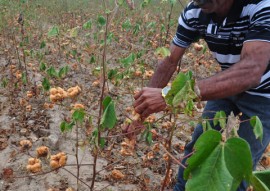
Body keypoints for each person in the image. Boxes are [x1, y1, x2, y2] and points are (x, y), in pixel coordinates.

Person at [133, 0, 270, 190]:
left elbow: (251, 71)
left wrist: (169, 96)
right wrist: (140, 112)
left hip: (264, 95)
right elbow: (170, 61)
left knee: (239, 167)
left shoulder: (261, 7)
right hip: (225, 82)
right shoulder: (194, 12)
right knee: (197, 149)